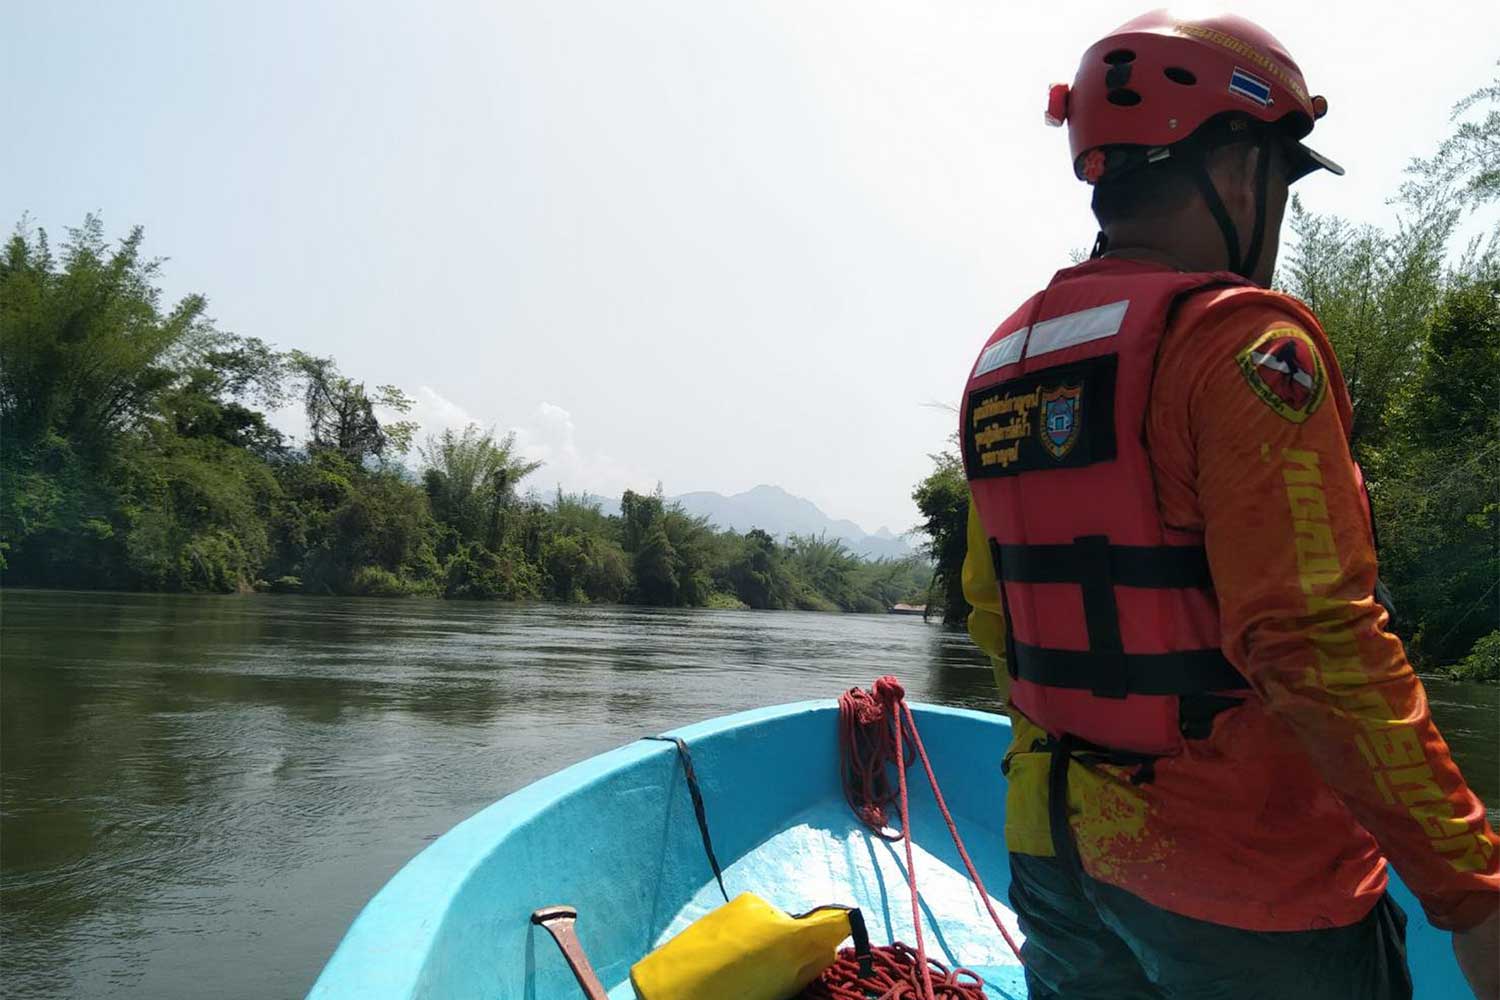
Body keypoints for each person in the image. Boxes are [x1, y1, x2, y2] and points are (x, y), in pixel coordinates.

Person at [959, 11, 1499, 999]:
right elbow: (1312, 637)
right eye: (1283, 180)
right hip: (1247, 883)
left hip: (1055, 858)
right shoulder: (1242, 344)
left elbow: (996, 617)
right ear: (1241, 165)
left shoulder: (1005, 362)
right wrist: (1473, 890)